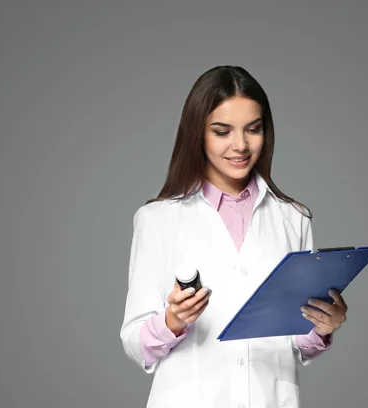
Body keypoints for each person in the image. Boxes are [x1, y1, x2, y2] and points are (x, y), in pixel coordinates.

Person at [120, 65, 348, 408]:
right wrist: (173, 321)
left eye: (253, 129)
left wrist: (322, 327)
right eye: (222, 131)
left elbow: (298, 341)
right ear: (198, 133)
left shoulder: (293, 218)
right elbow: (136, 344)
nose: (240, 145)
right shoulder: (157, 219)